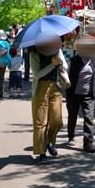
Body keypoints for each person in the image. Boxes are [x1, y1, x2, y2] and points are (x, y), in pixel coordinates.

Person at [30, 31, 69, 162]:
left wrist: (59, 63)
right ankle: (41, 153)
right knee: (41, 122)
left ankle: (49, 142)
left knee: (57, 121)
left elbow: (65, 66)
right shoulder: (34, 53)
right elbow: (37, 74)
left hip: (56, 87)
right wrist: (52, 64)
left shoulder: (56, 50)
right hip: (40, 87)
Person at [66, 35, 95, 153]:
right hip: (74, 94)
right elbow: (67, 76)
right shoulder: (74, 61)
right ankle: (71, 136)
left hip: (88, 94)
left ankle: (88, 143)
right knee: (72, 116)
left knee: (89, 118)